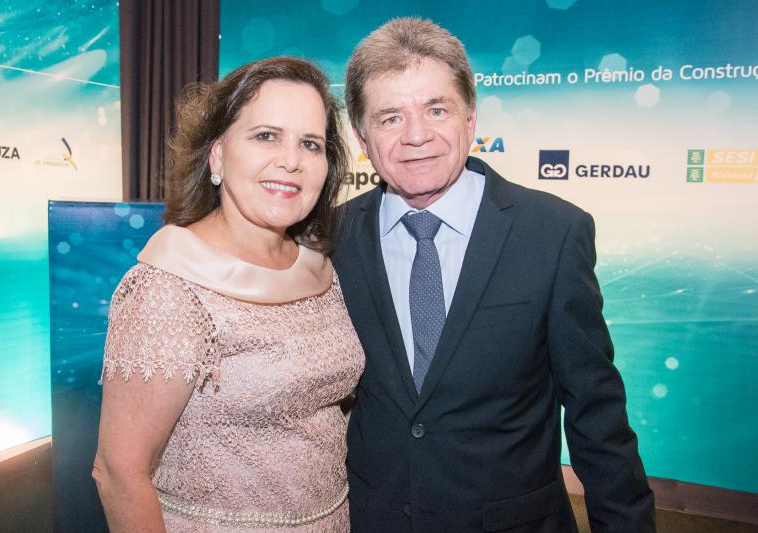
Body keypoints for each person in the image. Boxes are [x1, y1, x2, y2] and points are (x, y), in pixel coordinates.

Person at [333, 18, 655, 532]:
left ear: (470, 118)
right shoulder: (332, 238)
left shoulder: (553, 232)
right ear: (361, 136)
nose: (416, 135)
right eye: (390, 117)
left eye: (436, 109)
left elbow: (597, 416)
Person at [92, 57, 364, 532]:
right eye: (266, 136)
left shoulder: (322, 267)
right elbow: (119, 473)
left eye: (310, 143)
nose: (292, 160)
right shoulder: (169, 286)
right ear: (217, 156)